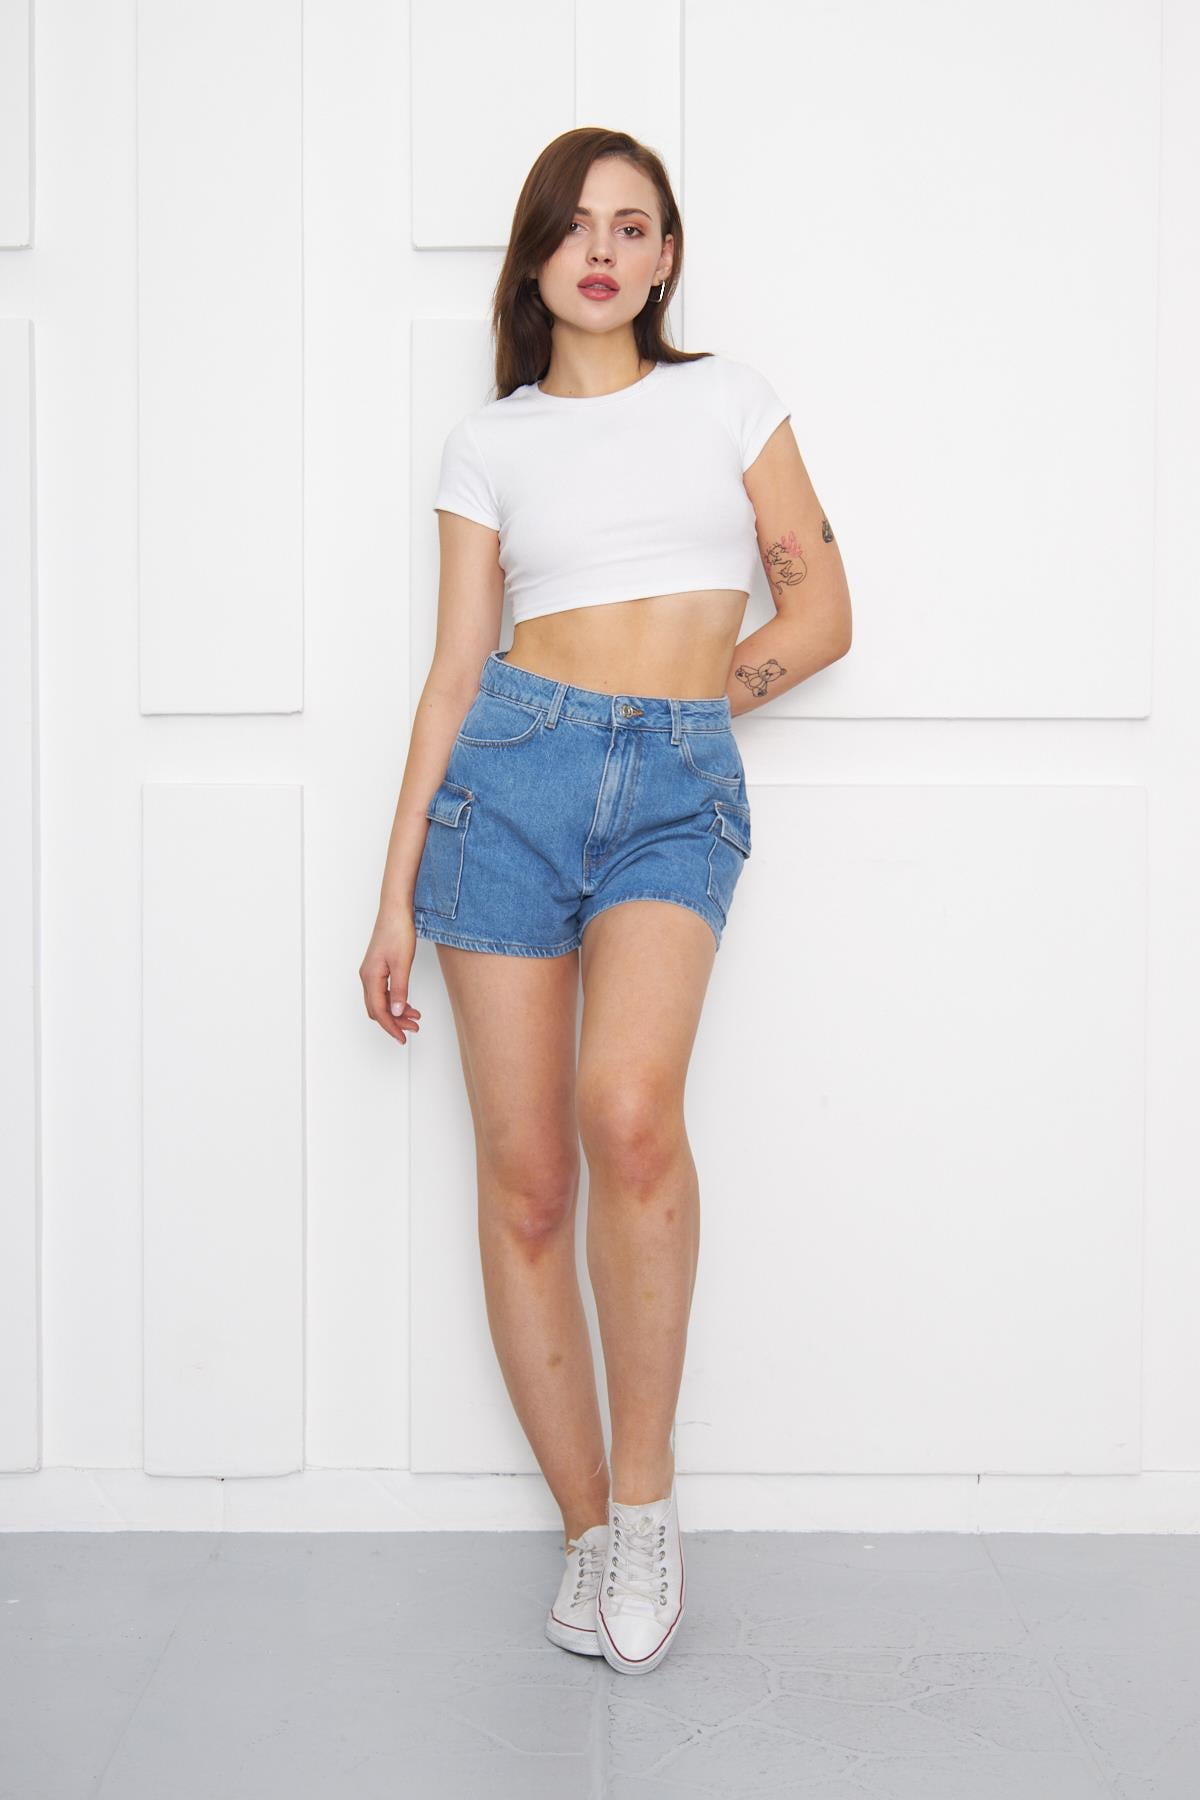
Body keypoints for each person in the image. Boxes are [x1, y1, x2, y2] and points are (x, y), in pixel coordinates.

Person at [359, 127, 853, 1676]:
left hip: (674, 789)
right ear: (537, 255)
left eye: (634, 227)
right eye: (577, 225)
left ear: (665, 259)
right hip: (505, 781)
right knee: (526, 1187)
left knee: (627, 1112)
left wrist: (692, 710)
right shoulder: (488, 444)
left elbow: (822, 613)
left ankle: (646, 1501)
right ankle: (586, 1529)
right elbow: (454, 671)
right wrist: (391, 897)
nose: (604, 249)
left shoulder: (730, 401)